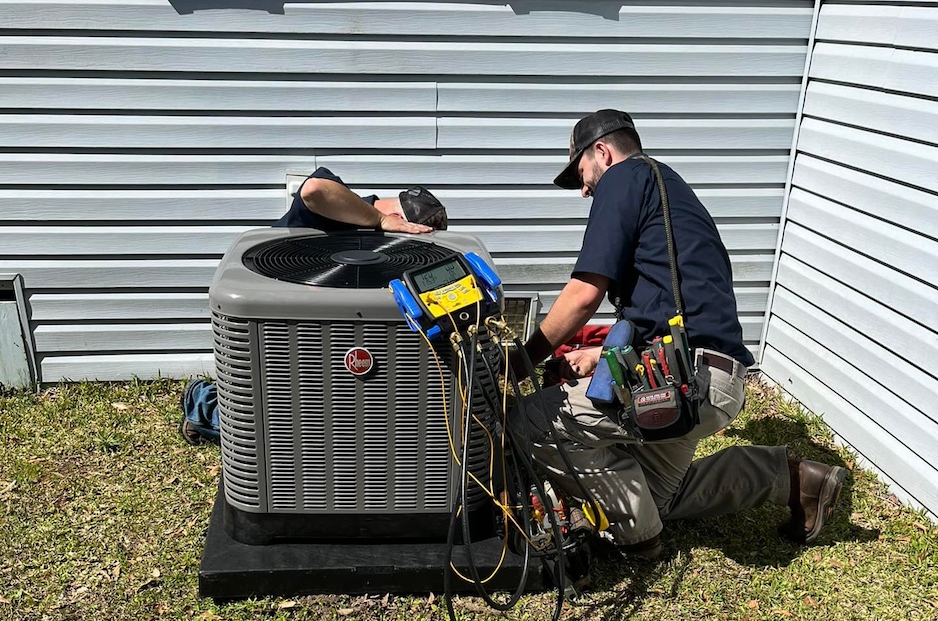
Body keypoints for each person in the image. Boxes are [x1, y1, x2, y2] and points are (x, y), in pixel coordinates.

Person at [509, 110, 846, 558]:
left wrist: (523, 358)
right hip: (711, 378)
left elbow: (585, 294)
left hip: (679, 385)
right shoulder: (669, 188)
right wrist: (597, 357)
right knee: (657, 496)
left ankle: (638, 539)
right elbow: (669, 304)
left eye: (582, 174)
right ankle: (795, 480)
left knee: (526, 420)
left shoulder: (623, 179)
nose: (585, 188)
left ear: (602, 153)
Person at [180, 168, 448, 443]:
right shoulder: (340, 202)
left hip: (321, 324)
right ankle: (201, 403)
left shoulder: (373, 242)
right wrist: (379, 219)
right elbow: (314, 190)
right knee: (276, 415)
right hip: (278, 315)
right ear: (396, 218)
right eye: (408, 231)